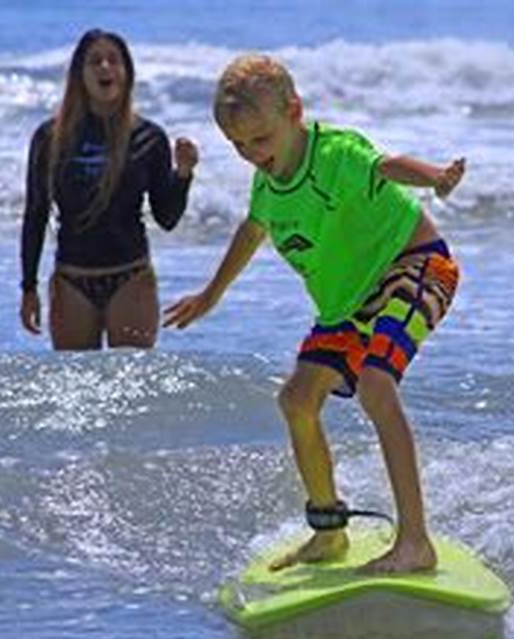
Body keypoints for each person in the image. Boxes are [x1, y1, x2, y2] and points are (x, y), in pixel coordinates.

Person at [164, 54, 466, 574]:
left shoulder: (335, 154)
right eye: (238, 145)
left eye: (260, 139)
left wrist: (435, 177)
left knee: (376, 384)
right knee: (297, 400)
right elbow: (252, 230)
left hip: (415, 264)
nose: (252, 154)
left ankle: (416, 542)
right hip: (349, 306)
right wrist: (212, 294)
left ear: (294, 112)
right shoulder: (267, 186)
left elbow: (386, 166)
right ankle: (328, 534)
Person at [19, 29, 198, 350]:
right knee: (73, 379)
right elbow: (36, 213)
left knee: (133, 377)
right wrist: (28, 288)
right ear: (80, 74)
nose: (105, 67)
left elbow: (167, 218)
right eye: (95, 61)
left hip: (130, 276)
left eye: (114, 60)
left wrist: (183, 174)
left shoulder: (149, 137)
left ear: (127, 73)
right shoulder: (50, 138)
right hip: (71, 279)